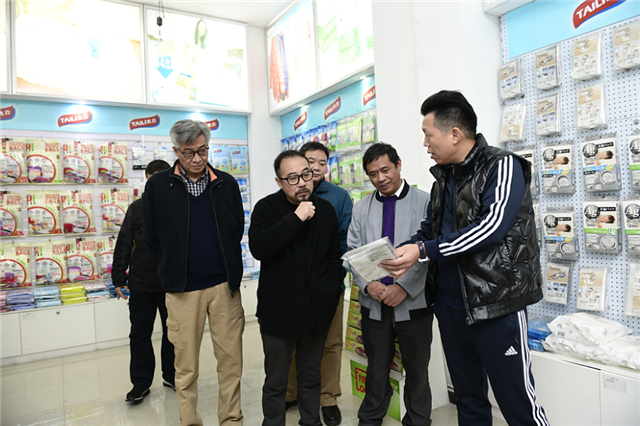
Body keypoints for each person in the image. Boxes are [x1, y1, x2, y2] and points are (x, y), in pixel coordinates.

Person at [380, 90, 549, 426]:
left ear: (454, 133)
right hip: (450, 307)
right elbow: (429, 229)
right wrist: (405, 251)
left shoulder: (503, 166)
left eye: (428, 135)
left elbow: (490, 229)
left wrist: (422, 251)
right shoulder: (444, 178)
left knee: (518, 404)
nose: (425, 144)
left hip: (496, 305)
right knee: (468, 401)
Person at [143, 119, 245, 426]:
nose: (198, 158)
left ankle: (231, 419)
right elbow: (151, 237)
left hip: (224, 287)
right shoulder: (158, 186)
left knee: (231, 362)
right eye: (189, 153)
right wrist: (171, 265)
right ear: (176, 151)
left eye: (203, 150)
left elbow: (236, 229)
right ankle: (190, 421)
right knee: (186, 366)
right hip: (182, 290)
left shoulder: (226, 183)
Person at [249, 151, 343, 426]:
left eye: (306, 174)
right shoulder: (266, 208)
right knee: (276, 379)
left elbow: (334, 256)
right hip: (277, 311)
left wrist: (331, 291)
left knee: (311, 375)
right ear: (279, 182)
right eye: (292, 178)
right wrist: (296, 217)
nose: (302, 183)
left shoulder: (325, 209)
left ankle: (311, 421)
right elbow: (260, 248)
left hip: (316, 309)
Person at [347, 142, 433, 426]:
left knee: (417, 372)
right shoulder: (361, 208)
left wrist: (403, 287)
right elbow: (352, 252)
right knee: (376, 370)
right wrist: (368, 284)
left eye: (385, 170)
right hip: (374, 304)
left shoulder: (425, 201)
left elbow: (430, 251)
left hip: (414, 304)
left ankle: (418, 421)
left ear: (398, 165)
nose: (380, 178)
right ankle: (370, 419)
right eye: (373, 174)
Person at [284, 142, 352, 426]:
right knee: (292, 340)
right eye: (310, 161)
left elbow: (345, 240)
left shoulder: (338, 197)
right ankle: (291, 392)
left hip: (328, 285)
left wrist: (334, 279)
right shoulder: (286, 195)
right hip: (294, 288)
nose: (315, 167)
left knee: (331, 343)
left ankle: (328, 398)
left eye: (322, 163)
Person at [112, 159, 174, 404]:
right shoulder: (136, 208)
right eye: (152, 181)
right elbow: (123, 244)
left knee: (173, 334)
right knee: (139, 335)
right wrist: (119, 278)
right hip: (140, 284)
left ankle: (171, 375)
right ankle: (140, 383)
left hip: (171, 284)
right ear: (147, 180)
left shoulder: (178, 207)